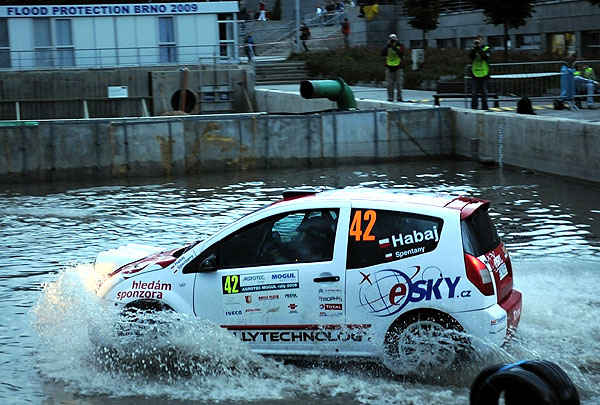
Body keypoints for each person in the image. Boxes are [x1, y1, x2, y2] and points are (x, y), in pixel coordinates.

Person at [469, 34, 491, 110]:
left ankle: (485, 107)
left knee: (484, 92)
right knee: (474, 92)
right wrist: (475, 48)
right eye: (477, 40)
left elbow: (485, 57)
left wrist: (479, 48)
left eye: (480, 40)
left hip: (484, 73)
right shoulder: (473, 48)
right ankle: (474, 107)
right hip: (475, 73)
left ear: (483, 40)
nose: (478, 42)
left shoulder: (486, 48)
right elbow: (471, 57)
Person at [381, 33, 405, 102]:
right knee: (389, 83)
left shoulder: (400, 46)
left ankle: (399, 97)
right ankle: (390, 97)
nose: (392, 41)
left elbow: (401, 54)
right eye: (391, 40)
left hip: (398, 66)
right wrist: (388, 45)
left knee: (399, 83)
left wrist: (393, 46)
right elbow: (382, 53)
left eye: (394, 40)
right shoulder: (387, 47)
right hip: (389, 66)